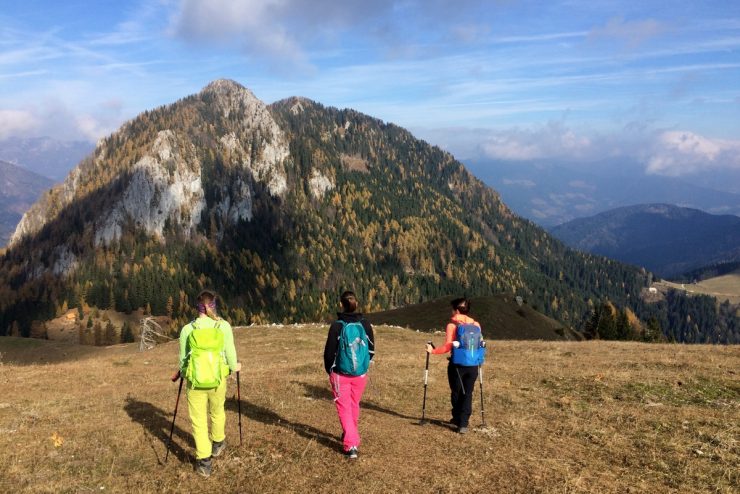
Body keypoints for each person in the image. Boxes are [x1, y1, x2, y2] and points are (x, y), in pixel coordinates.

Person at [178, 289, 241, 478]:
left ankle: (204, 462)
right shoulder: (223, 327)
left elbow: (183, 361)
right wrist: (234, 367)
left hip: (195, 383)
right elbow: (230, 355)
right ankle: (218, 443)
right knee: (217, 410)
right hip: (218, 379)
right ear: (214, 305)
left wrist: (183, 374)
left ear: (198, 307)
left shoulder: (187, 330)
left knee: (198, 420)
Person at [323, 290, 375, 459]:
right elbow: (371, 349)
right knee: (354, 405)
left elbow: (329, 353)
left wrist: (330, 370)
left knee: (344, 408)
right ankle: (349, 433)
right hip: (360, 374)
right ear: (356, 304)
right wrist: (364, 364)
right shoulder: (365, 324)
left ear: (341, 304)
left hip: (340, 373)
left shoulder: (337, 325)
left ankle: (351, 444)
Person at [426, 297, 484, 434]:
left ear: (456, 310)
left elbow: (447, 347)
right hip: (473, 364)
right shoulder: (476, 325)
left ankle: (457, 418)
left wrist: (432, 350)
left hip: (457, 364)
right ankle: (464, 423)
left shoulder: (452, 325)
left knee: (456, 391)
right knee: (468, 393)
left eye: (452, 310)